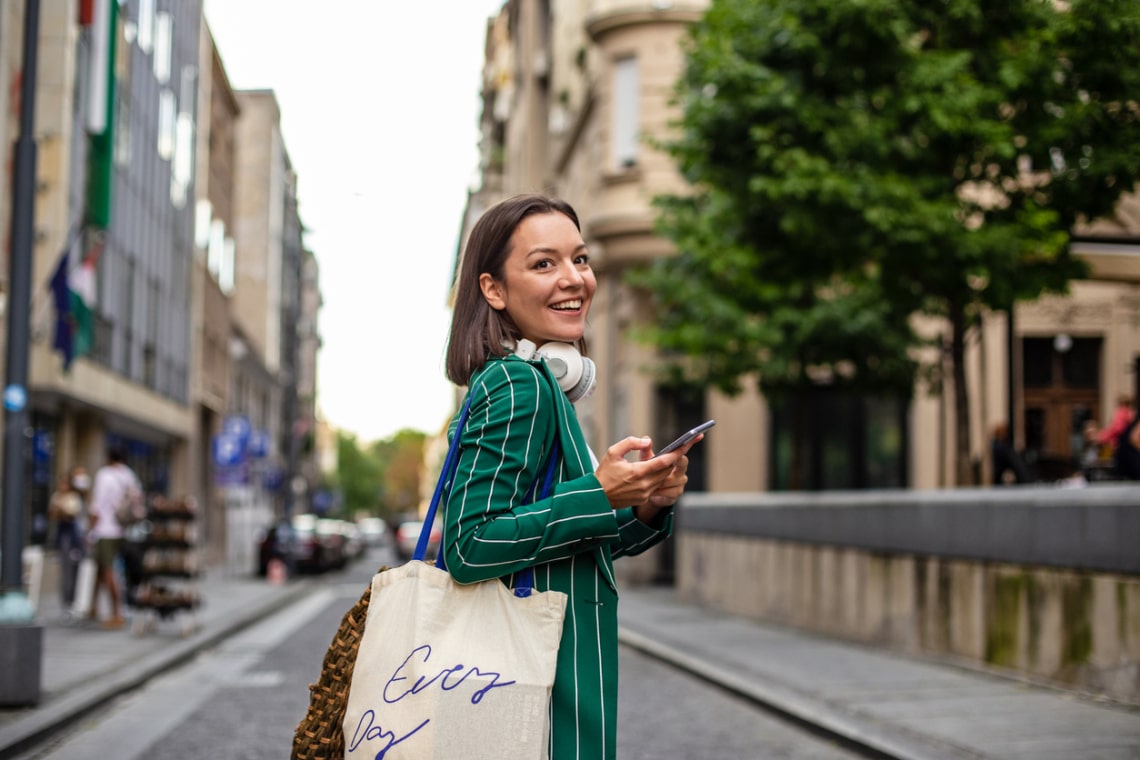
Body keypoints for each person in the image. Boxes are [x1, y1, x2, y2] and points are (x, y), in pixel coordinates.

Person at [442, 194, 697, 758]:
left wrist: (644, 505)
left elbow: (570, 550)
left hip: (547, 689)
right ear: (493, 290)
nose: (574, 279)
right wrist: (597, 492)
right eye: (543, 263)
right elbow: (470, 543)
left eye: (580, 259)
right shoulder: (519, 384)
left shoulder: (540, 385)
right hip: (537, 704)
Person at [87, 448, 142, 628]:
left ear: (108, 458)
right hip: (123, 529)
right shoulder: (128, 474)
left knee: (108, 570)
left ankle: (117, 613)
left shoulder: (105, 475)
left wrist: (90, 528)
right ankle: (93, 606)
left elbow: (97, 504)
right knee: (100, 566)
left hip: (106, 530)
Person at [47, 466, 90, 613]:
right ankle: (66, 603)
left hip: (74, 538)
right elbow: (52, 514)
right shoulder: (56, 496)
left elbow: (74, 514)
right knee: (66, 571)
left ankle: (71, 601)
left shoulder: (75, 497)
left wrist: (63, 511)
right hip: (62, 537)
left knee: (74, 570)